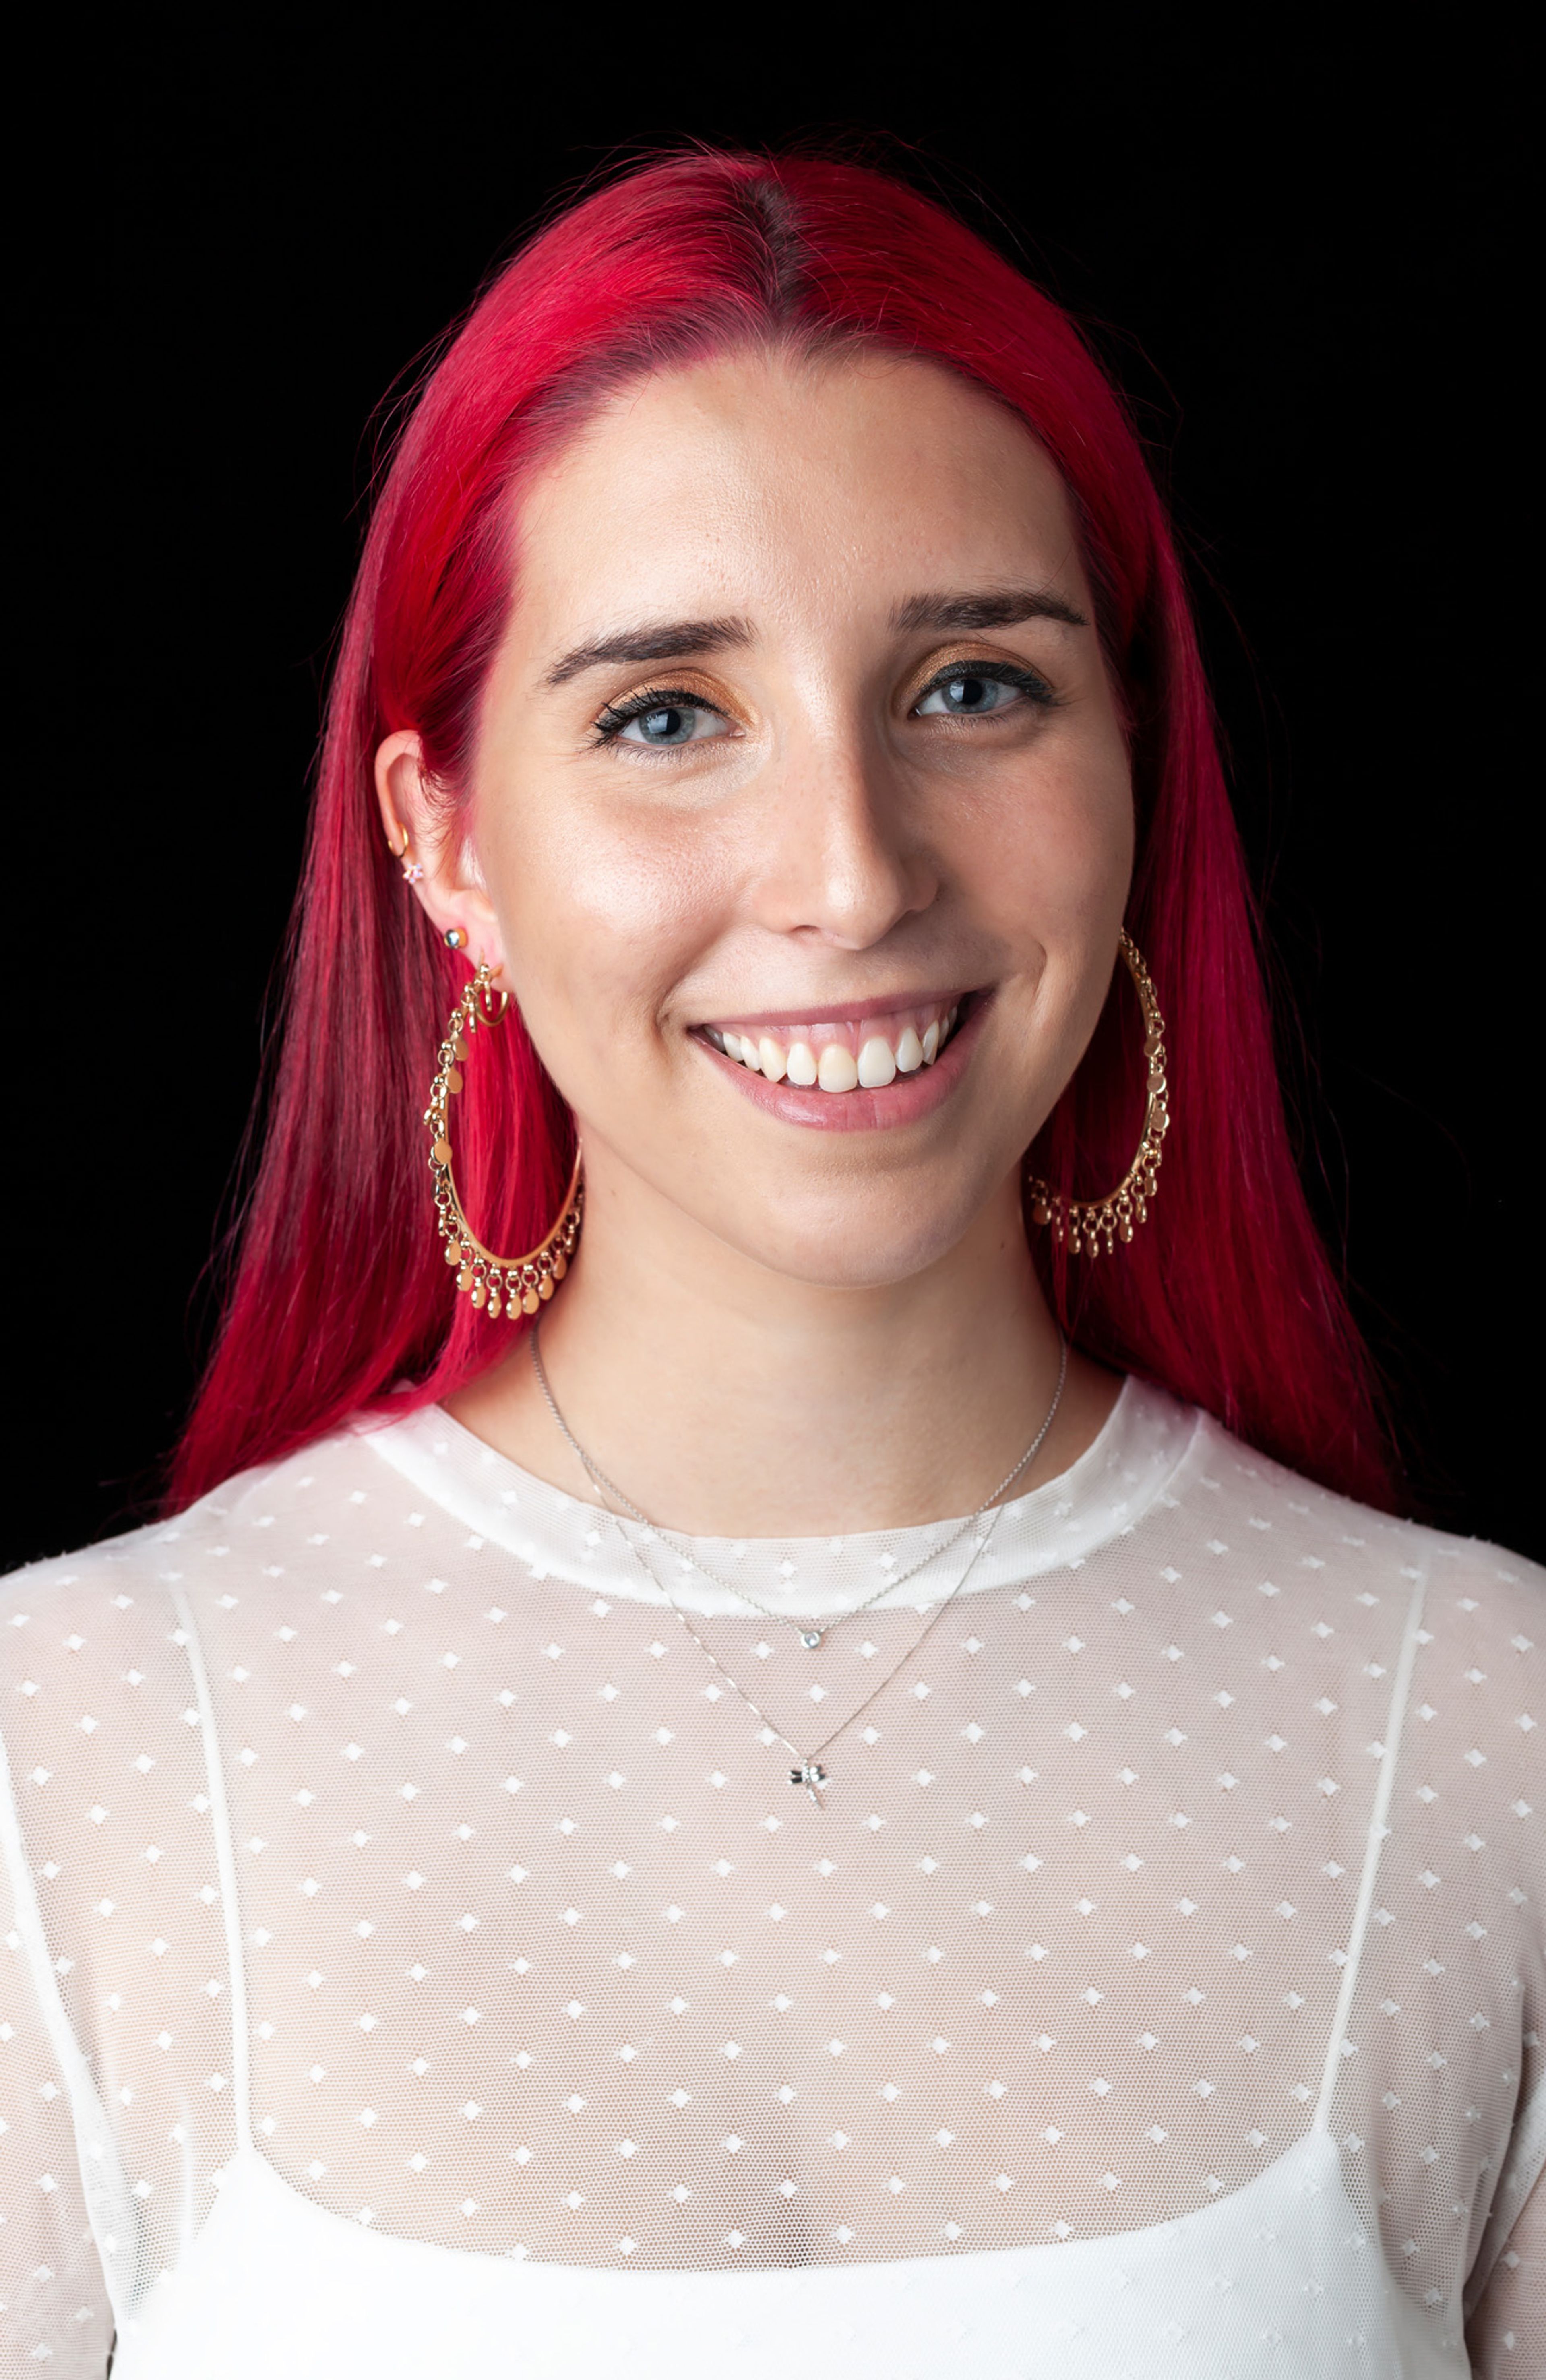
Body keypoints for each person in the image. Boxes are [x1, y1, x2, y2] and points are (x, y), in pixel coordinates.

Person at [1, 152, 1538, 2380]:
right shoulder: (71, 1752)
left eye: (975, 688)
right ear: (446, 839)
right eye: (664, 715)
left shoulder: (1493, 1730)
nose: (845, 872)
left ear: (1134, 760)